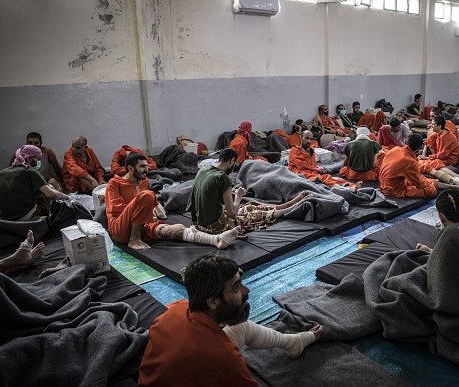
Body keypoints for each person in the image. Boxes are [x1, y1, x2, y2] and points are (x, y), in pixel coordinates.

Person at [138, 255, 323, 386]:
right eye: (236, 287)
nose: (246, 290)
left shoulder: (176, 309)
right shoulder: (224, 358)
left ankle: (293, 343)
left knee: (239, 326)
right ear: (212, 301)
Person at [105, 152, 239, 250]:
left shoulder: (144, 182)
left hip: (142, 225)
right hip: (121, 228)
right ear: (130, 168)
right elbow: (117, 209)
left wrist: (150, 209)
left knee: (176, 229)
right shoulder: (114, 183)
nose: (147, 169)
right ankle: (134, 240)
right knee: (148, 195)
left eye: (146, 166)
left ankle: (216, 240)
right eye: (142, 167)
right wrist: (144, 206)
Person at [188, 148, 312, 234]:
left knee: (249, 206)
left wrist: (230, 196)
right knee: (253, 214)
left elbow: (206, 194)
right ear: (231, 161)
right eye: (234, 163)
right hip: (215, 225)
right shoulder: (223, 178)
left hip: (199, 222)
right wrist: (238, 196)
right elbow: (232, 214)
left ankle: (283, 205)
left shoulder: (203, 170)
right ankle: (288, 209)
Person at [379, 134, 459, 198]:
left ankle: (455, 180)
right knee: (430, 189)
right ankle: (453, 184)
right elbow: (420, 182)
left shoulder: (396, 149)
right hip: (393, 189)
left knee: (432, 167)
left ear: (406, 141)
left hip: (390, 180)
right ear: (420, 148)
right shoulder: (409, 161)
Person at [0, 145, 69, 221]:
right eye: (38, 159)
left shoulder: (2, 172)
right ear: (30, 158)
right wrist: (65, 197)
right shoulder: (30, 172)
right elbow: (51, 194)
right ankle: (48, 220)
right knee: (46, 192)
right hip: (24, 216)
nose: (39, 162)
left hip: (5, 217)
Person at [289, 130, 360, 190]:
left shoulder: (311, 150)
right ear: (301, 138)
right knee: (324, 178)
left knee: (333, 178)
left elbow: (312, 165)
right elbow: (301, 165)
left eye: (311, 139)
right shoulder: (294, 150)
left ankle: (351, 186)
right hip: (299, 172)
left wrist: (317, 169)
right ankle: (346, 189)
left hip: (311, 172)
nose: (309, 141)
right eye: (306, 138)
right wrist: (317, 169)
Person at [418, 116, 459, 186]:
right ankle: (458, 179)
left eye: (433, 124)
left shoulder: (447, 137)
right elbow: (428, 141)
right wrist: (424, 155)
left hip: (448, 159)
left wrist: (428, 158)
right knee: (429, 159)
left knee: (434, 162)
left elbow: (442, 155)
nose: (431, 126)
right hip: (439, 156)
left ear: (439, 126)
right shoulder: (438, 133)